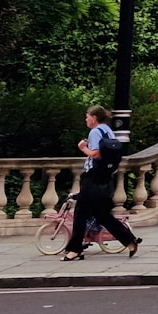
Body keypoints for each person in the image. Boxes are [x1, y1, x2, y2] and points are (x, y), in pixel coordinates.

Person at [60, 105, 141, 261]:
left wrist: (83, 148)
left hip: (93, 179)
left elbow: (96, 154)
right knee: (103, 216)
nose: (86, 119)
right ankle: (130, 241)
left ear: (94, 117)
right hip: (105, 178)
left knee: (80, 213)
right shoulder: (108, 131)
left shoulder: (95, 132)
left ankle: (74, 250)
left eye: (87, 116)